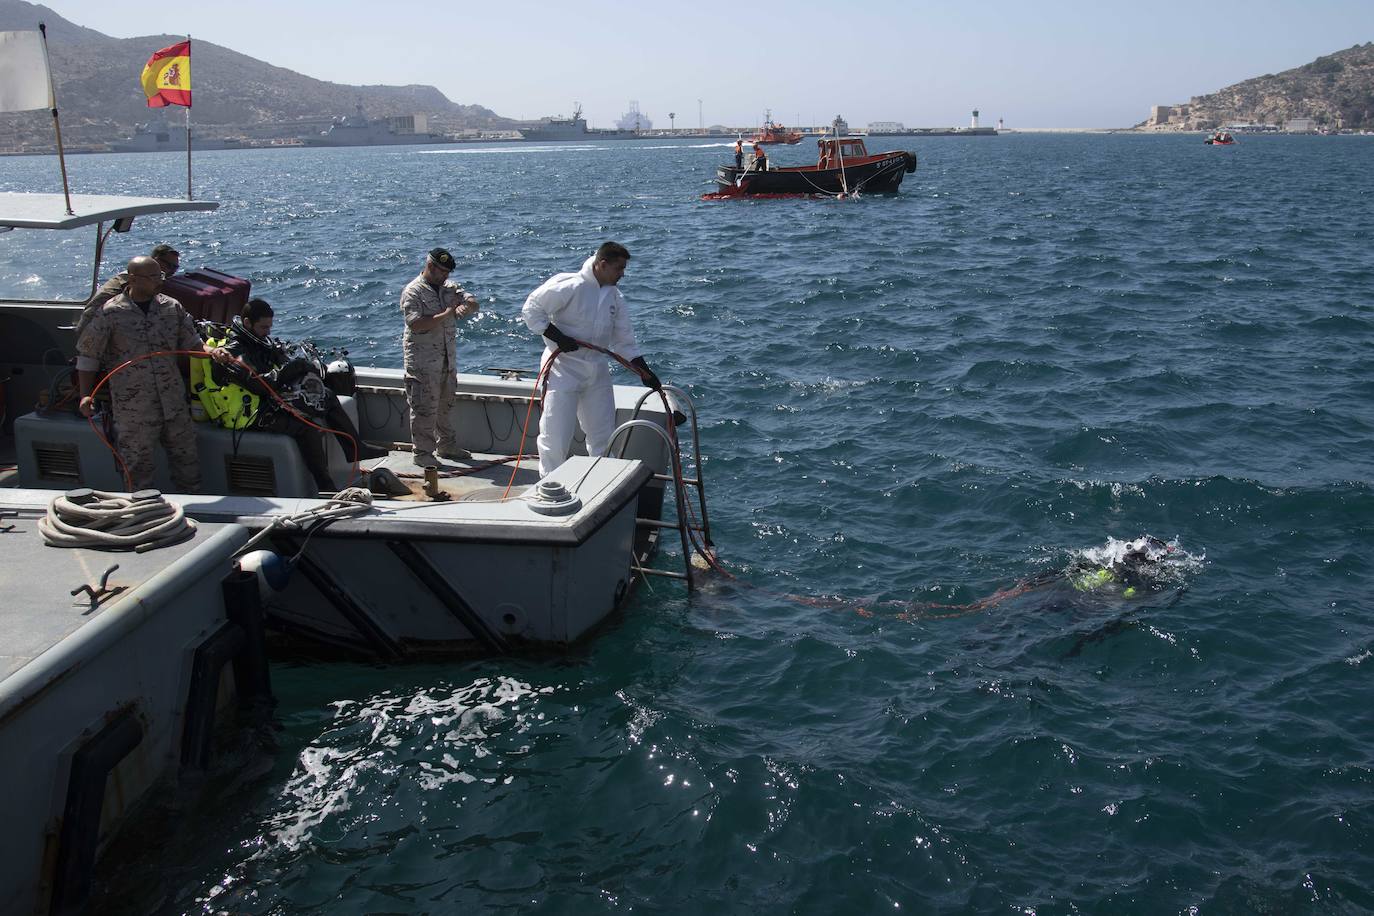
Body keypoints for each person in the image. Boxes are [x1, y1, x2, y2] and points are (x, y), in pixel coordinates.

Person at [75, 255, 229, 492]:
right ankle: (142, 510)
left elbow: (193, 345)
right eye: (153, 277)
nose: (160, 281)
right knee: (137, 471)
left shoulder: (171, 307)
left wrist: (214, 352)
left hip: (173, 404)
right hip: (133, 409)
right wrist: (86, 396)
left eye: (161, 275)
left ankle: (191, 508)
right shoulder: (110, 313)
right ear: (133, 279)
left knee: (188, 465)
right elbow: (88, 357)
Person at [202, 298, 385, 492]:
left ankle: (354, 448)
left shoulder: (259, 342)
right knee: (305, 428)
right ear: (247, 323)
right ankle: (326, 487)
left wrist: (300, 367)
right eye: (264, 327)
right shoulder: (232, 352)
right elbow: (260, 385)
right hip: (249, 416)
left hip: (267, 402)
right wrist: (292, 368)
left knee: (326, 395)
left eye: (270, 327)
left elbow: (278, 366)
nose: (268, 332)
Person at [521, 241, 662, 478]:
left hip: (597, 369)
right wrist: (557, 337)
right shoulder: (569, 285)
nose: (623, 274)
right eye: (619, 268)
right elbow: (532, 308)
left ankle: (603, 480)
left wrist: (644, 372)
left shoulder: (615, 297)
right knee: (556, 432)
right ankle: (549, 483)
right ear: (602, 265)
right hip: (563, 368)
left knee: (603, 433)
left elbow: (624, 341)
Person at [400, 247, 481, 468]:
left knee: (445, 405)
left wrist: (466, 306)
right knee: (424, 408)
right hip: (422, 362)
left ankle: (446, 445)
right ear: (430, 266)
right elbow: (416, 324)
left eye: (448, 272)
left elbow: (473, 302)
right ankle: (422, 453)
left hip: (446, 359)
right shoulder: (413, 291)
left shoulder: (449, 287)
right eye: (442, 271)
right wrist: (447, 313)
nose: (446, 276)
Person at [74, 244, 182, 338]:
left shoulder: (146, 280)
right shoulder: (135, 280)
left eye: (175, 267)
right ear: (155, 260)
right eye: (169, 265)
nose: (172, 271)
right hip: (93, 327)